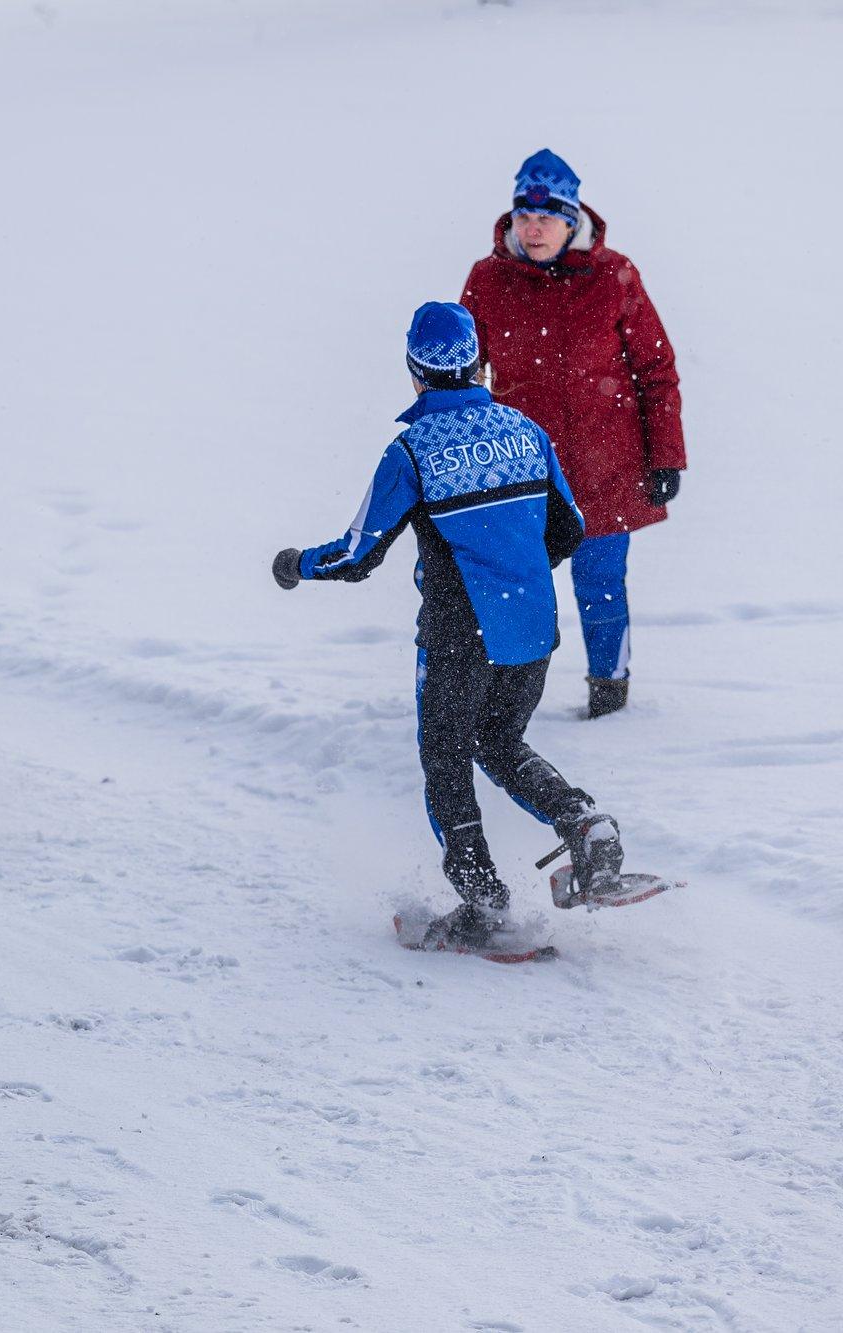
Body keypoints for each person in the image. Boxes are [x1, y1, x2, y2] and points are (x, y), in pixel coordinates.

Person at [272, 302, 625, 949]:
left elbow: (357, 554)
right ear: (477, 364)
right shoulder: (525, 430)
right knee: (498, 743)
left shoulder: (411, 451)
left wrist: (297, 564)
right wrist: (513, 575)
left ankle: (486, 904)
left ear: (415, 374)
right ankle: (583, 821)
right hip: (532, 628)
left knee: (444, 760)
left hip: (461, 635)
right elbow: (570, 527)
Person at [461, 149, 687, 719]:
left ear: (571, 219)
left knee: (601, 582)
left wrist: (666, 456)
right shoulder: (488, 280)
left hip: (606, 461)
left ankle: (609, 693)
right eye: (524, 216)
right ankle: (502, 699)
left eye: (548, 216)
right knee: (514, 585)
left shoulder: (614, 276)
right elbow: (462, 374)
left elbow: (655, 370)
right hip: (520, 467)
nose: (534, 228)